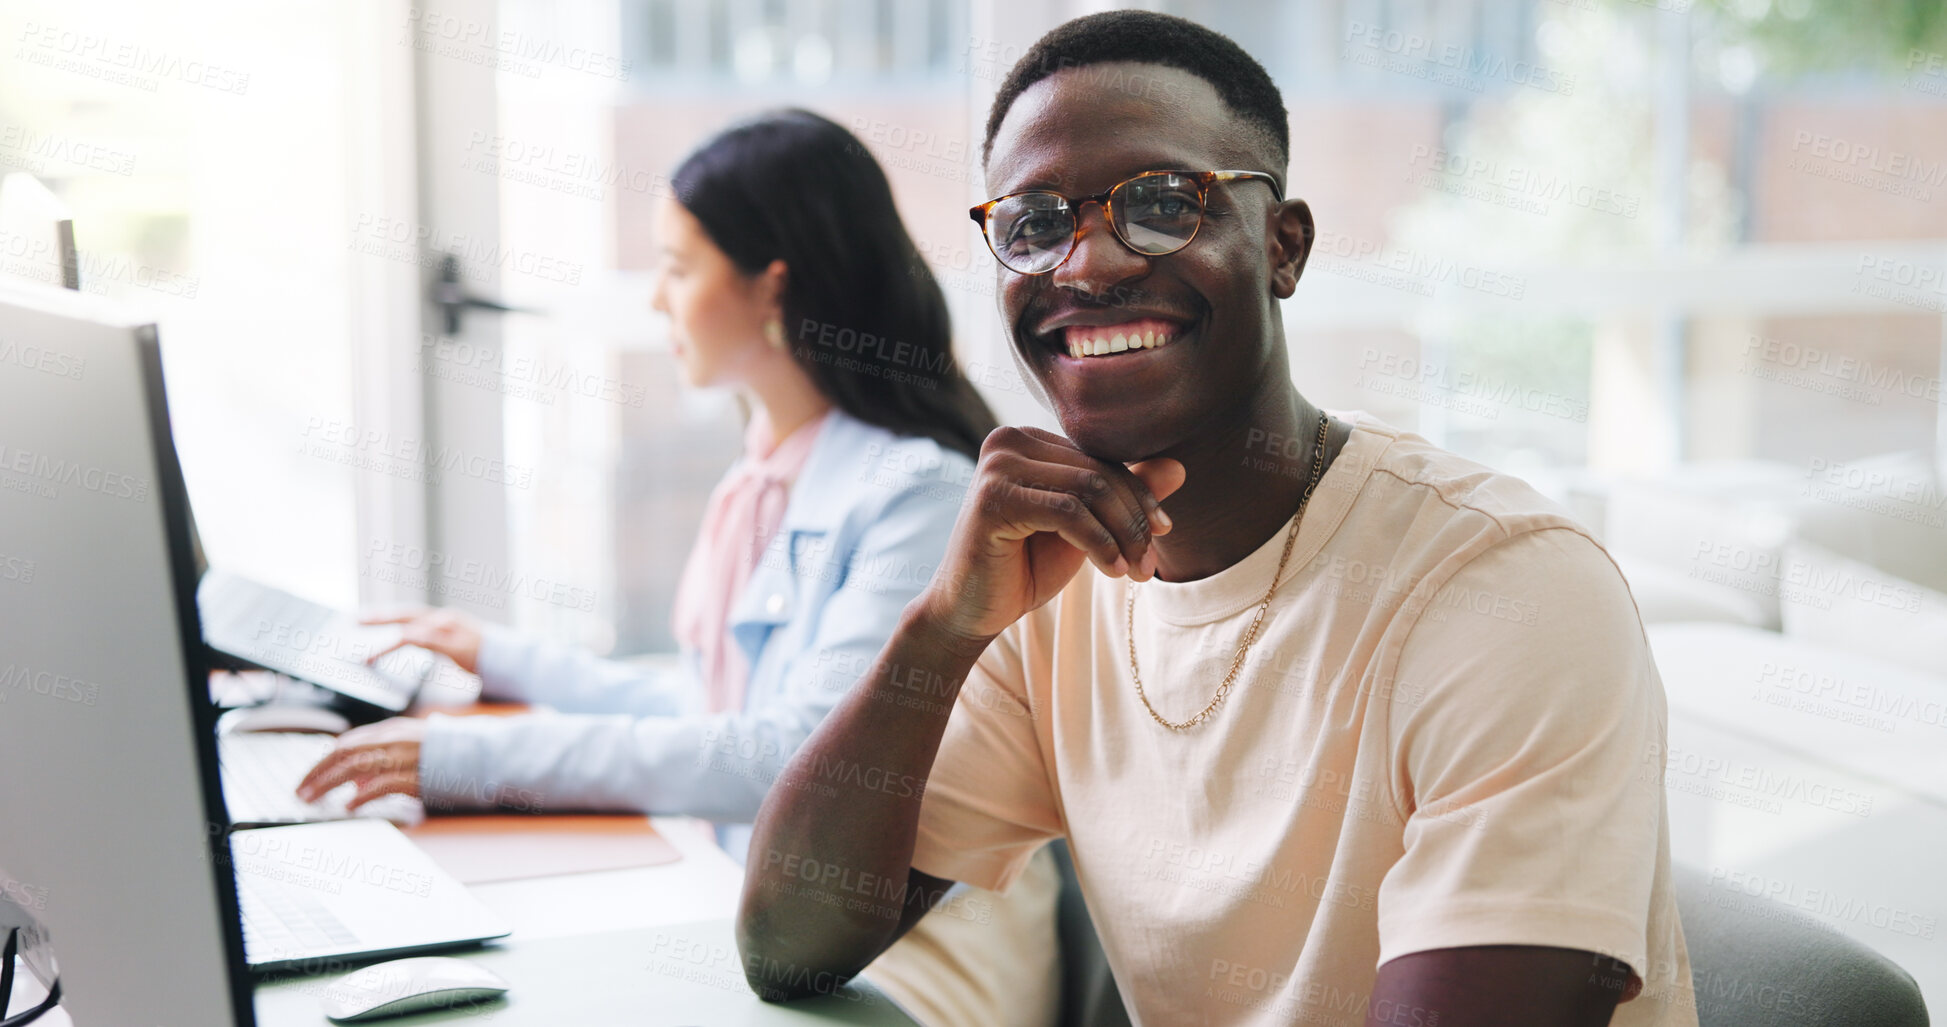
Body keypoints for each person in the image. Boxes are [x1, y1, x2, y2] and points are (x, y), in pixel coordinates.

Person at [736, 13, 1697, 1027]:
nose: (1089, 263)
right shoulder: (1050, 590)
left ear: (1284, 247)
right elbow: (789, 946)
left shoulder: (1507, 591)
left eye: (1162, 205)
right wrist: (942, 628)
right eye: (1033, 222)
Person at [295, 109, 1062, 1027]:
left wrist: (467, 757)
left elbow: (780, 756)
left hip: (897, 952)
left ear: (771, 286)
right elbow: (714, 715)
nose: (657, 301)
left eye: (676, 265)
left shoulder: (918, 493)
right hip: (765, 915)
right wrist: (500, 658)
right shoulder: (766, 470)